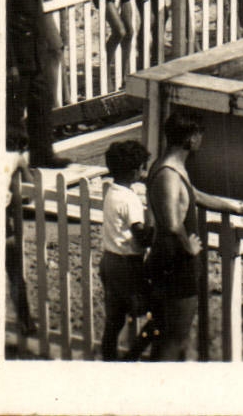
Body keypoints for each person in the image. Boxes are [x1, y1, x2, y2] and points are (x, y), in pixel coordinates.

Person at [147, 112, 243, 360]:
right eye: (199, 136)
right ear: (191, 138)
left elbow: (194, 195)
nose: (201, 141)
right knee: (175, 337)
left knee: (165, 334)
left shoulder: (171, 167)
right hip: (175, 263)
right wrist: (190, 248)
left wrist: (237, 208)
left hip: (168, 260)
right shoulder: (169, 175)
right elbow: (173, 224)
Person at [97, 140, 152, 360]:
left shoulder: (112, 192)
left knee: (115, 319)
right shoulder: (130, 199)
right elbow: (139, 233)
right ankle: (132, 356)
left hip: (110, 260)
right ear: (134, 171)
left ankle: (109, 358)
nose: (144, 172)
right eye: (142, 168)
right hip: (128, 265)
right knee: (157, 312)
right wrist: (157, 233)